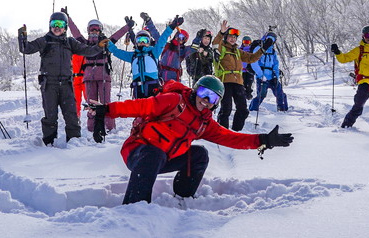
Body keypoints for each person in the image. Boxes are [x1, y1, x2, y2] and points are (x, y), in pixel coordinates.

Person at [89, 75, 294, 204]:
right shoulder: (173, 101)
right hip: (140, 152)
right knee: (154, 153)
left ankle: (184, 195)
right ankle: (135, 206)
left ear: (216, 104)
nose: (205, 100)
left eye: (212, 98)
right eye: (204, 93)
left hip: (164, 158)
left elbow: (230, 138)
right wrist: (105, 111)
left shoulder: (204, 123)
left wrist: (263, 140)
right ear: (196, 90)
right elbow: (139, 106)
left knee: (199, 154)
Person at [19, 11, 108, 145]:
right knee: (50, 116)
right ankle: (49, 142)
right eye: (54, 24)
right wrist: (22, 38)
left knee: (71, 115)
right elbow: (26, 49)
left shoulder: (70, 42)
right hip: (49, 84)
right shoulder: (44, 41)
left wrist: (99, 47)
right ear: (50, 26)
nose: (57, 27)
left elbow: (87, 51)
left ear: (65, 27)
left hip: (66, 84)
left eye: (60, 24)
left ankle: (74, 141)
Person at [66, 14, 132, 142]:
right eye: (92, 29)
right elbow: (75, 33)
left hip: (103, 76)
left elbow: (117, 36)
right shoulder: (84, 43)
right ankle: (91, 128)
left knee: (105, 103)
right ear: (89, 30)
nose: (94, 32)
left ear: (100, 30)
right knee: (91, 104)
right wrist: (68, 19)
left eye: (97, 29)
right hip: (89, 76)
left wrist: (127, 27)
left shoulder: (106, 42)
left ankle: (110, 127)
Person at [109, 13, 183, 99]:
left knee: (153, 110)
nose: (142, 42)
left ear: (149, 41)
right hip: (138, 88)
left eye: (145, 40)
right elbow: (117, 52)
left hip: (152, 87)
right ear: (136, 42)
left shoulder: (154, 52)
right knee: (139, 111)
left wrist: (172, 26)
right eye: (139, 40)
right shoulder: (133, 56)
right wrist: (108, 44)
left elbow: (163, 39)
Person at [212, 21, 266, 131]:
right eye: (230, 37)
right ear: (226, 37)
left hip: (238, 82)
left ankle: (236, 131)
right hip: (224, 82)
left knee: (243, 109)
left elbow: (251, 58)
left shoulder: (237, 51)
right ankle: (222, 132)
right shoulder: (221, 48)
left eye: (235, 37)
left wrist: (263, 49)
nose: (233, 39)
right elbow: (215, 44)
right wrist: (221, 33)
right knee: (226, 109)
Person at [249, 31, 288, 115]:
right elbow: (254, 63)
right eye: (269, 39)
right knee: (261, 95)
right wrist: (261, 75)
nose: (270, 41)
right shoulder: (258, 49)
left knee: (280, 93)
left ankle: (283, 109)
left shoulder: (273, 51)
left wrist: (275, 76)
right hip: (262, 77)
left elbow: (275, 64)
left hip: (272, 77)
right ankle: (252, 110)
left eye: (272, 40)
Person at [143, 12, 189, 85]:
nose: (179, 39)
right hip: (161, 78)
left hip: (173, 81)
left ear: (184, 41)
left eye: (182, 38)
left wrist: (199, 39)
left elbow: (194, 48)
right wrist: (148, 21)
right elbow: (155, 34)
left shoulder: (183, 51)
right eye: (178, 36)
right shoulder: (166, 45)